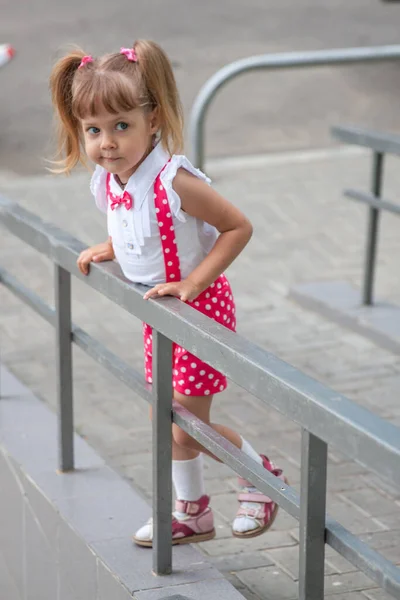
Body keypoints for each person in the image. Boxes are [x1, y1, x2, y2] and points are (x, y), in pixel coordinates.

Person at [49, 40, 286, 547]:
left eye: (120, 126)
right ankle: (192, 512)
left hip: (199, 313)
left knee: (184, 426)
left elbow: (238, 227)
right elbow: (136, 225)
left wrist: (193, 283)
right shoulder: (112, 180)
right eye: (93, 130)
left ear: (152, 120)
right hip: (162, 317)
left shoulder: (174, 180)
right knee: (168, 418)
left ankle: (263, 479)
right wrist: (114, 246)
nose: (106, 143)